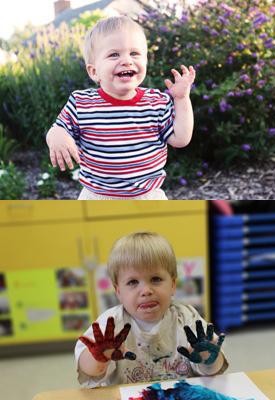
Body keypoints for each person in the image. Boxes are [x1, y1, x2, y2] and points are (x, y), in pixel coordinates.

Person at [46, 16, 196, 200]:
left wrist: (181, 99)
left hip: (147, 196)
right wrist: (56, 134)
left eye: (134, 53)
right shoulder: (81, 103)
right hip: (96, 197)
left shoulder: (157, 102)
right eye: (114, 54)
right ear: (94, 71)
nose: (126, 60)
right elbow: (58, 128)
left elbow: (180, 139)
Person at [75, 232, 228, 387]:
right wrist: (100, 357)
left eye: (156, 279)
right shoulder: (111, 325)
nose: (146, 290)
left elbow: (212, 372)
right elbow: (89, 371)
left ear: (173, 285)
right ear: (118, 291)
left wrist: (209, 359)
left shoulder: (187, 318)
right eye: (133, 282)